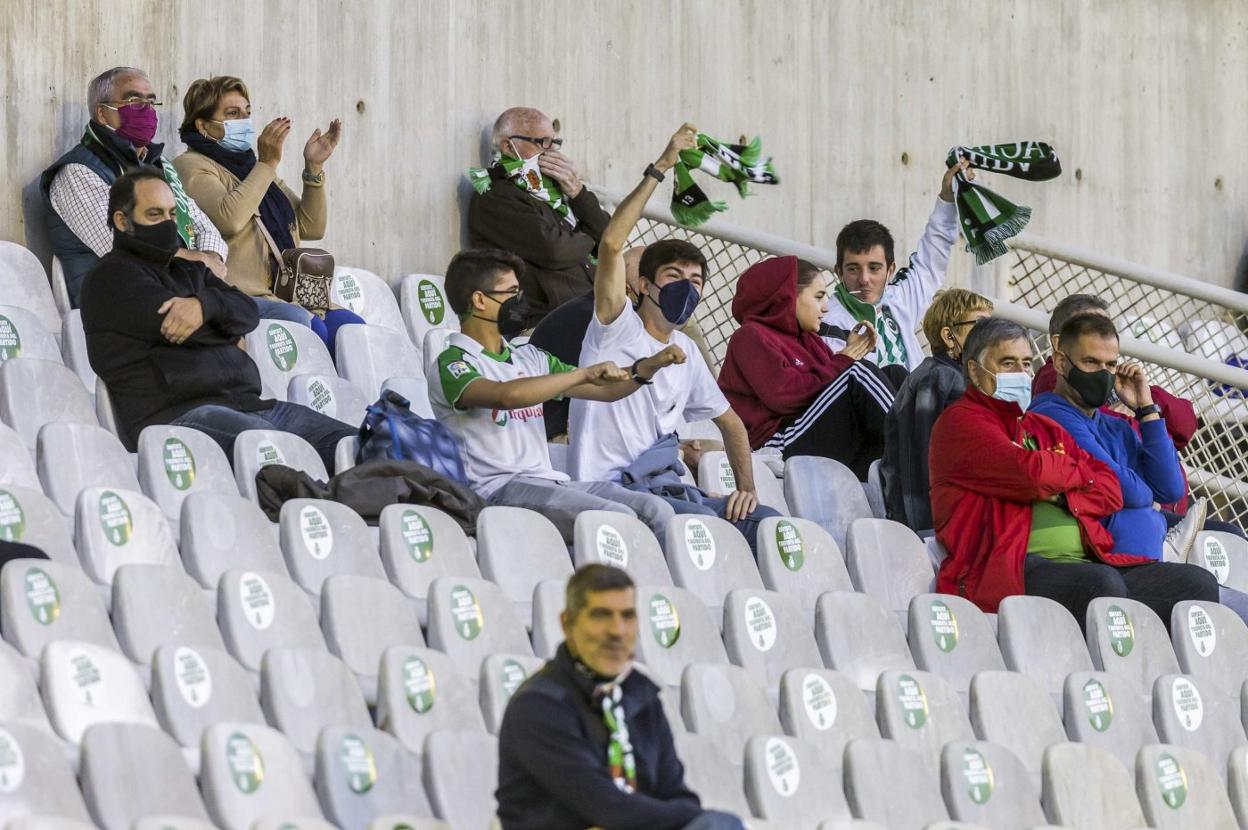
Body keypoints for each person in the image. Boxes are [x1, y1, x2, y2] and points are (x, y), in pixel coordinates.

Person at [568, 124, 779, 553]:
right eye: (674, 277)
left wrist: (745, 490)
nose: (688, 287)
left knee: (770, 525)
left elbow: (731, 423)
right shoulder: (615, 325)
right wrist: (661, 167)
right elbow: (610, 244)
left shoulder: (686, 351)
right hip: (610, 490)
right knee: (708, 530)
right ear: (644, 285)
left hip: (665, 489)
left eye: (696, 280)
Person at [928, 317, 1218, 625]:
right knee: (1101, 586)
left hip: (1088, 560)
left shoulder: (1040, 428)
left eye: (1026, 364)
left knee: (1197, 585)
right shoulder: (961, 421)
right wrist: (1066, 479)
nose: (1021, 374)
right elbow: (1031, 475)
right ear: (974, 370)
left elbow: (1109, 488)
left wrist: (1058, 485)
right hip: (1005, 567)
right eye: (1008, 363)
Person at [80, 169, 356, 472]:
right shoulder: (111, 278)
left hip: (249, 404)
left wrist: (204, 306)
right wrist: (226, 330)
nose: (168, 224)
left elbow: (247, 313)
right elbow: (180, 328)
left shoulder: (189, 271)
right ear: (122, 221)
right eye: (155, 215)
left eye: (172, 215)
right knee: (280, 451)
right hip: (178, 418)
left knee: (354, 443)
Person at [429, 249, 681, 541]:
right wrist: (582, 373)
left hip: (551, 483)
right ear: (479, 300)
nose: (520, 300)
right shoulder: (454, 362)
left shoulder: (529, 357)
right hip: (497, 491)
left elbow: (606, 391)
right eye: (511, 292)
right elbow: (504, 396)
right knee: (614, 519)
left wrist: (645, 368)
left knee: (655, 510)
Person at [497, 564, 744, 830]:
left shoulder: (642, 697)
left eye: (627, 616)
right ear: (567, 624)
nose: (617, 631)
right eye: (601, 615)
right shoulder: (539, 706)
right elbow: (608, 808)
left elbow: (678, 796)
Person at [173, 75, 363, 354]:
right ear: (202, 125)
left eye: (247, 113)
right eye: (232, 114)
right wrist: (268, 163)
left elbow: (310, 226)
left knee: (354, 330)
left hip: (292, 295)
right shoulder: (191, 166)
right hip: (245, 294)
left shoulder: (252, 166)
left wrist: (313, 169)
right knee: (311, 331)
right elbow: (230, 218)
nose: (244, 122)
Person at [41, 66, 228, 308]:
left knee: (259, 317)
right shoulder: (77, 173)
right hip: (122, 306)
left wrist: (211, 258)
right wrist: (200, 261)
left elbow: (205, 228)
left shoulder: (159, 167)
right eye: (133, 100)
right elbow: (123, 248)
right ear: (102, 113)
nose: (147, 110)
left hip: (185, 293)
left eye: (151, 102)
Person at [1032, 293, 1213, 526]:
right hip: (1109, 546)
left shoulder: (1115, 423)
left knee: (1230, 536)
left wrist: (1146, 409)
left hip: (1155, 525)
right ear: (1060, 355)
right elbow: (1131, 493)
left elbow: (1171, 486)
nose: (1103, 371)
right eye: (1091, 361)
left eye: (1110, 364)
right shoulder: (1053, 404)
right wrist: (1146, 494)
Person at [718, 256, 896, 480]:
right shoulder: (750, 336)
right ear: (789, 298)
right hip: (777, 443)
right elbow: (785, 396)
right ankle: (922, 447)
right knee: (859, 375)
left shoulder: (810, 340)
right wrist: (844, 360)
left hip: (806, 429)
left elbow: (828, 388)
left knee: (894, 373)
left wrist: (848, 354)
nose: (825, 308)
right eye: (819, 297)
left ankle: (913, 460)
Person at [530, 245, 717, 440]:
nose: (677, 296)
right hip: (565, 435)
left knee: (715, 456)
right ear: (627, 287)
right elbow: (619, 398)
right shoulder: (602, 323)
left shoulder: (666, 338)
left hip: (625, 438)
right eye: (670, 280)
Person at [821, 159, 969, 377]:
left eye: (874, 268)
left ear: (891, 270)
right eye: (853, 269)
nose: (864, 279)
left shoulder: (897, 298)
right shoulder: (827, 322)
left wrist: (947, 198)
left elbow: (931, 260)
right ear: (838, 272)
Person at [467, 107, 613, 329]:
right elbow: (554, 250)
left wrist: (578, 192)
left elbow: (611, 237)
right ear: (508, 146)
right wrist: (590, 237)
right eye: (542, 142)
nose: (551, 152)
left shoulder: (552, 189)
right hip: (547, 319)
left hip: (594, 307)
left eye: (554, 143)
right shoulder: (496, 196)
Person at [881, 288, 993, 530]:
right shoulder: (938, 378)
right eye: (981, 326)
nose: (992, 336)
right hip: (935, 523)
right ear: (950, 336)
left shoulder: (950, 376)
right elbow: (926, 460)